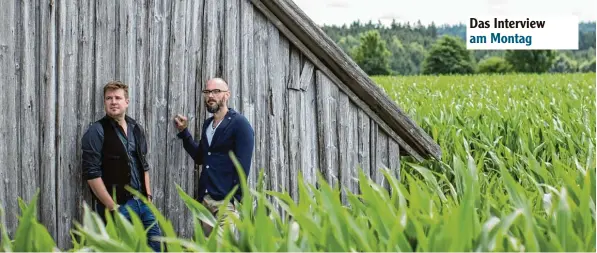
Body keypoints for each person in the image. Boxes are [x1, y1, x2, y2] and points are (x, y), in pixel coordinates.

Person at [81, 80, 163, 252]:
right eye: (108, 98)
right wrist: (112, 207)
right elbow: (92, 174)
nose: (113, 102)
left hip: (142, 202)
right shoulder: (96, 131)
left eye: (118, 98)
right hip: (118, 206)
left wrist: (147, 197)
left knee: (156, 246)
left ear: (127, 102)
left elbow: (144, 164)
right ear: (104, 102)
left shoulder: (136, 129)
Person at [173, 77, 254, 236]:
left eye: (216, 91)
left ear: (227, 95)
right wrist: (184, 133)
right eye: (207, 91)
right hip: (205, 201)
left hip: (225, 203)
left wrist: (233, 199)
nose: (211, 95)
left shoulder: (239, 124)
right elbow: (201, 158)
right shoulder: (208, 125)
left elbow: (243, 166)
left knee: (221, 247)